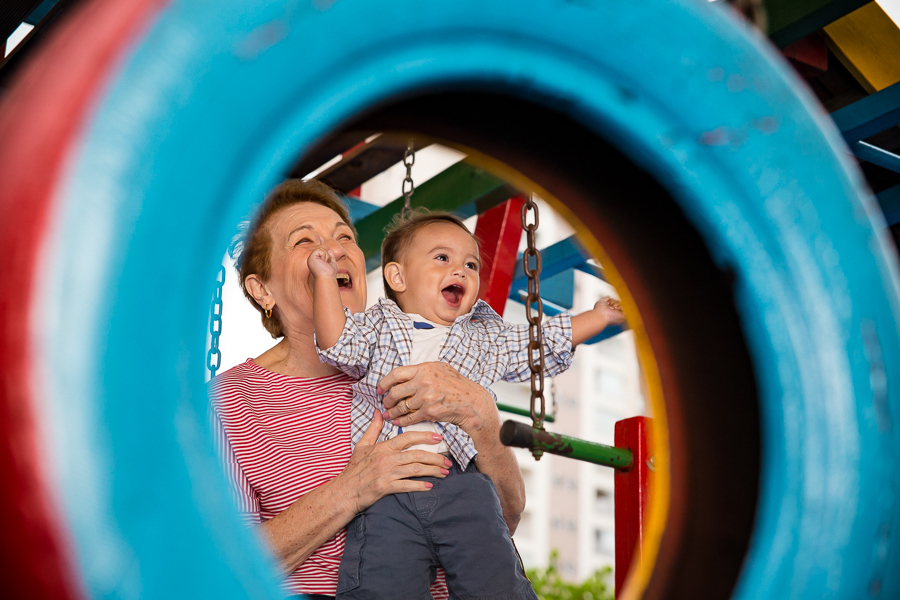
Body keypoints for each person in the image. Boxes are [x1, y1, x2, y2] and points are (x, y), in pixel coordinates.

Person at [209, 180, 528, 599]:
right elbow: (226, 564)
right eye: (306, 240)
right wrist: (353, 488)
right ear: (262, 289)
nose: (334, 249)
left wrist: (482, 418)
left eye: (344, 237)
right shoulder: (228, 401)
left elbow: (505, 517)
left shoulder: (428, 364)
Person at [308, 209, 626, 599]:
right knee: (382, 578)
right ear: (398, 277)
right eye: (442, 258)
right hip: (387, 484)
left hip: (459, 481)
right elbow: (336, 340)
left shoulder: (481, 337)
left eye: (470, 264)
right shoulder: (378, 327)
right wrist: (324, 279)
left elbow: (536, 344)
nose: (459, 269)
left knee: (493, 573)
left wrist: (597, 316)